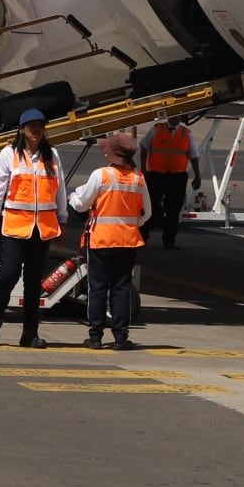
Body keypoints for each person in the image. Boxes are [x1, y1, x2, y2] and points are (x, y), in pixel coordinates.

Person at [0, 109, 63, 347]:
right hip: (15, 227)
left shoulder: (53, 155)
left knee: (33, 282)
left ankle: (30, 332)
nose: (37, 130)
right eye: (32, 126)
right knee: (8, 275)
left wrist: (63, 218)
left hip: (42, 229)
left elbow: (59, 190)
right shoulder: (9, 154)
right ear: (22, 129)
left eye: (40, 125)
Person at [71, 133, 152, 350]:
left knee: (97, 288)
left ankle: (95, 336)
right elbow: (147, 214)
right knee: (121, 288)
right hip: (127, 241)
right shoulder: (138, 178)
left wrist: (73, 198)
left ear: (111, 153)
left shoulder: (102, 175)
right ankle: (120, 337)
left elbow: (81, 205)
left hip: (101, 240)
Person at [140, 115, 195, 250]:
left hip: (177, 177)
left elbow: (194, 155)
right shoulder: (157, 129)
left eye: (177, 115)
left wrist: (197, 176)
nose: (174, 118)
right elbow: (144, 147)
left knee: (173, 211)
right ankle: (142, 237)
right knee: (150, 207)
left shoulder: (186, 133)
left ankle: (169, 240)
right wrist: (143, 169)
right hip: (157, 175)